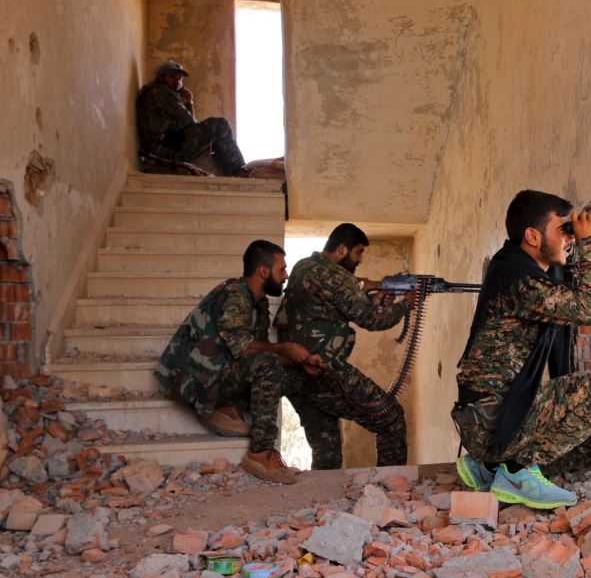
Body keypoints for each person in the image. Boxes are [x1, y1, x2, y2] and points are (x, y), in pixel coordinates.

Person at [453, 190, 591, 509]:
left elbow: (568, 284)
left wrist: (581, 229)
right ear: (533, 236)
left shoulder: (513, 267)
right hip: (491, 419)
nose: (570, 238)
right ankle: (516, 471)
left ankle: (489, 466)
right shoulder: (522, 281)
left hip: (487, 416)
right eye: (562, 230)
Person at [274, 223, 413, 470]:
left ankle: (324, 502)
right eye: (358, 252)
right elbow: (371, 319)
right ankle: (391, 488)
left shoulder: (304, 266)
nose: (359, 260)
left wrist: (374, 296)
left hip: (294, 372)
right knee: (390, 418)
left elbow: (335, 300)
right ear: (341, 249)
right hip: (323, 370)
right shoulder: (336, 275)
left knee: (326, 449)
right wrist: (405, 305)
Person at [136, 60, 248, 177]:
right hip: (165, 148)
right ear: (161, 77)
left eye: (179, 78)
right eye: (172, 76)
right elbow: (189, 121)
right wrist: (188, 106)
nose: (177, 81)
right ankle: (240, 170)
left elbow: (189, 124)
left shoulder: (157, 92)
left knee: (214, 142)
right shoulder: (161, 92)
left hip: (168, 144)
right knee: (219, 125)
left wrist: (189, 103)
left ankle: (236, 172)